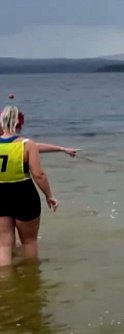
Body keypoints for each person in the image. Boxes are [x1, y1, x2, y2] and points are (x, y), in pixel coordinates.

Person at [0, 106, 59, 267]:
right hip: (23, 194)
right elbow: (38, 175)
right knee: (29, 242)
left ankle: (5, 284)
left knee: (3, 244)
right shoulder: (27, 144)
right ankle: (31, 280)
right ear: (20, 124)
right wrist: (49, 196)